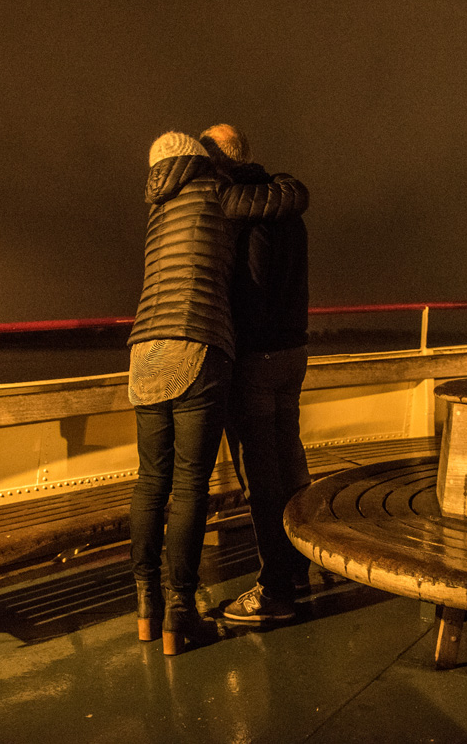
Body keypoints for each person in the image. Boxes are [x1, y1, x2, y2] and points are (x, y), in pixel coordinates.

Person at [128, 131, 308, 655]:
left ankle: (146, 608)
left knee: (149, 481)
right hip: (214, 345)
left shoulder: (157, 205)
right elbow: (288, 198)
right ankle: (182, 614)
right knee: (192, 485)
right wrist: (291, 184)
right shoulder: (221, 195)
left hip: (144, 346)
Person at [199, 124, 313, 624]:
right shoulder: (282, 202)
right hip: (294, 350)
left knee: (260, 475)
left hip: (257, 357)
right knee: (290, 463)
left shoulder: (241, 209)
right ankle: (302, 563)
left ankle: (274, 590)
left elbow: (252, 287)